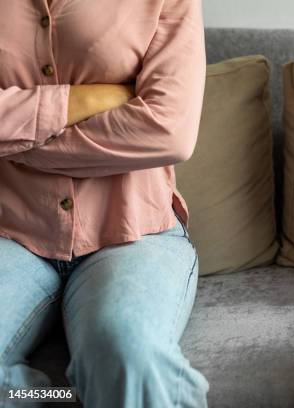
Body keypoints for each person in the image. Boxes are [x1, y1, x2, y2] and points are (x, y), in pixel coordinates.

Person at [0, 0, 208, 407]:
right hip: (10, 229)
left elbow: (169, 132)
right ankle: (59, 398)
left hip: (134, 232)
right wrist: (82, 102)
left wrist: (16, 143)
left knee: (131, 354)